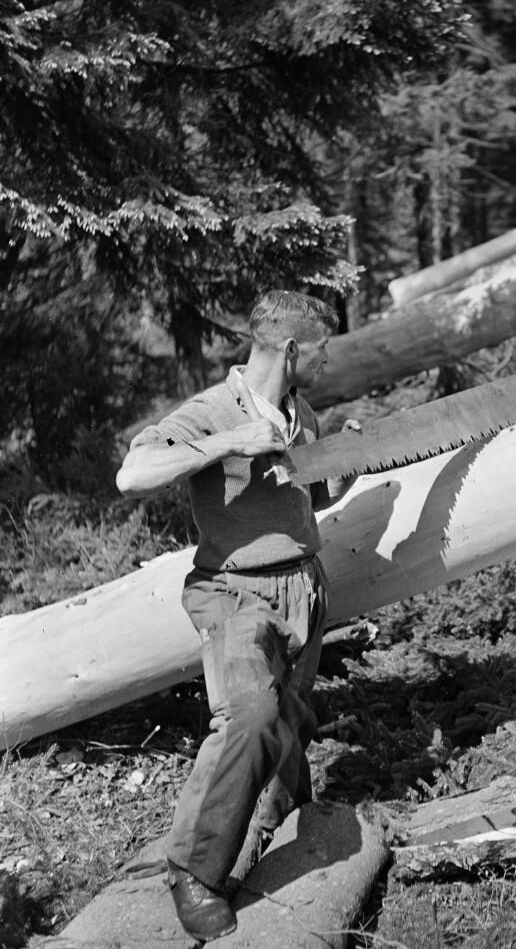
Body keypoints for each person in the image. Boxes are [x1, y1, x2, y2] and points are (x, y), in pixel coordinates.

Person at [116, 290, 345, 941]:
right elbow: (133, 474)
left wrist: (350, 464)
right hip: (236, 594)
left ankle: (277, 823)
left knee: (286, 728)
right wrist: (229, 442)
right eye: (322, 350)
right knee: (251, 713)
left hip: (303, 591)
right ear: (292, 349)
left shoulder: (302, 412)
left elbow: (310, 499)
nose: (327, 361)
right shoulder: (213, 411)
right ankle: (193, 869)